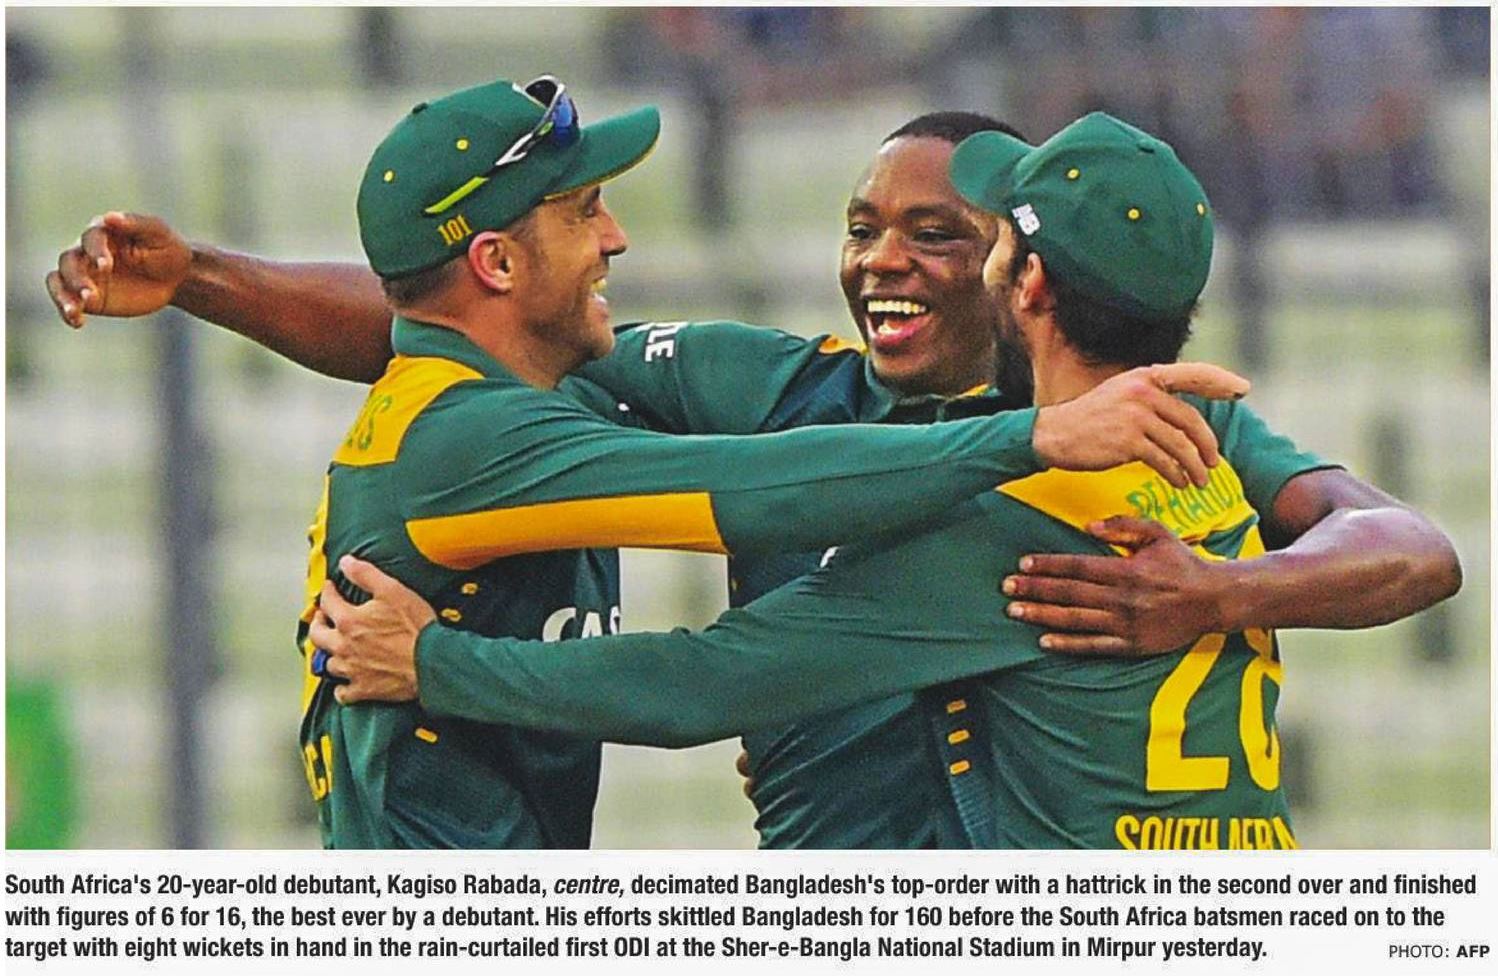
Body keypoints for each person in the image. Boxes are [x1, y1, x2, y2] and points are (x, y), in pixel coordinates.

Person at [45, 109, 1456, 847]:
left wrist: (1220, 596)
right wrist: (205, 280)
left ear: (1017, 274)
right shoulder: (783, 384)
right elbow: (480, 327)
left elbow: (1411, 548)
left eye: (936, 234)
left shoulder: (1122, 449)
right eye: (859, 225)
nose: (882, 260)